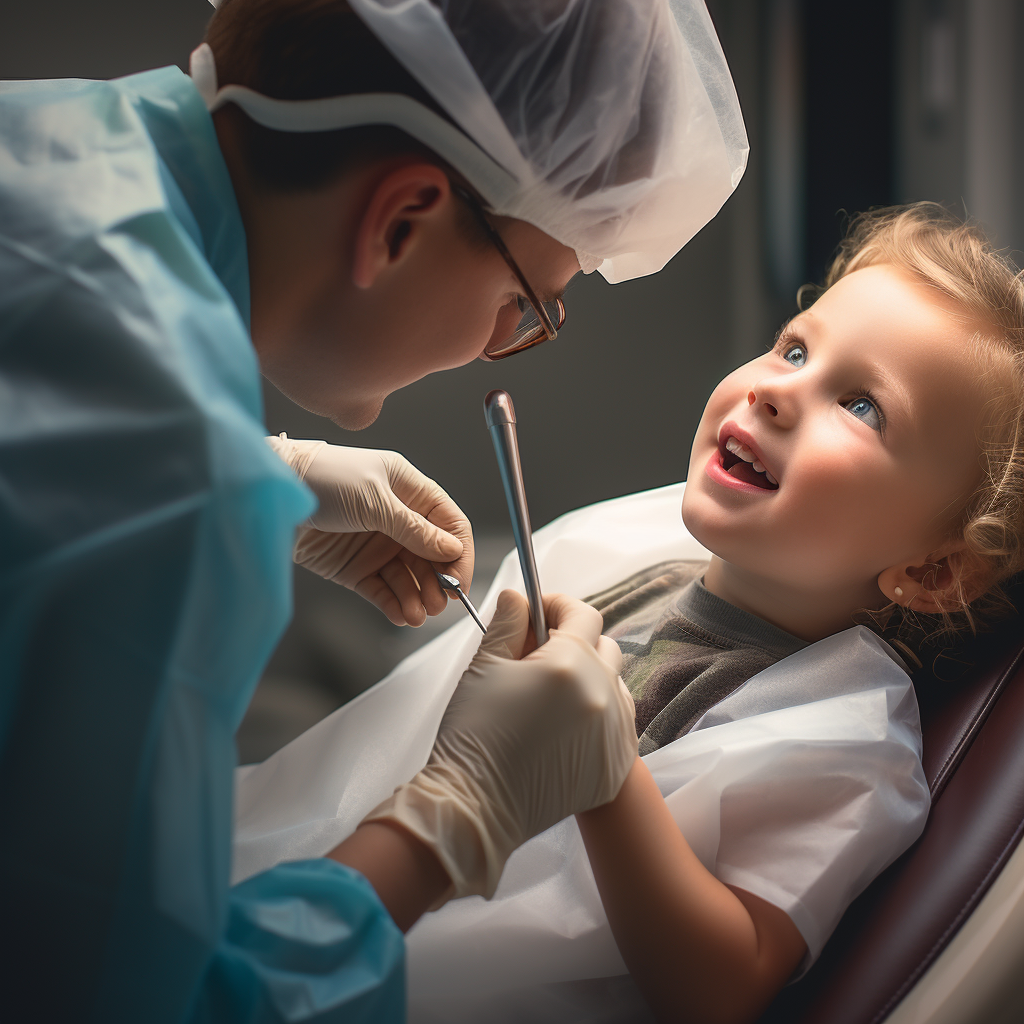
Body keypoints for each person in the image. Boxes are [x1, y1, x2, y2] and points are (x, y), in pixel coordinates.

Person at [0, 0, 747, 1021]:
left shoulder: (41, 138)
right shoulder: (166, 476)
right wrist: (452, 819)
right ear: (400, 220)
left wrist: (267, 479)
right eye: (525, 300)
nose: (499, 342)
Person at [228, 204, 1024, 1024]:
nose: (778, 390)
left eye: (862, 407)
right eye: (795, 347)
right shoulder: (646, 569)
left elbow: (721, 986)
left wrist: (608, 779)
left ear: (932, 571)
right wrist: (263, 483)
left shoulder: (847, 742)